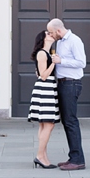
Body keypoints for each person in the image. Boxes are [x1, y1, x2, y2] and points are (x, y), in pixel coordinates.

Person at [46, 18, 86, 171]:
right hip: (63, 83)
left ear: (58, 30)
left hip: (71, 84)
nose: (50, 35)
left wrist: (61, 60)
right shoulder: (60, 41)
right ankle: (73, 157)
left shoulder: (75, 40)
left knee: (70, 121)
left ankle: (77, 160)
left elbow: (81, 62)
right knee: (67, 121)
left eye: (51, 32)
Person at [27, 30, 60, 169]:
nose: (51, 35)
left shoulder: (47, 52)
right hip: (45, 88)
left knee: (44, 125)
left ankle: (43, 156)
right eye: (48, 34)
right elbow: (43, 75)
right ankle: (40, 156)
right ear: (43, 38)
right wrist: (54, 63)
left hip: (48, 88)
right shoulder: (42, 53)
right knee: (49, 124)